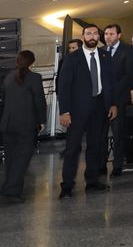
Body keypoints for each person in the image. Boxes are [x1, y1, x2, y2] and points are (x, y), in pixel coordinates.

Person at [57, 24, 118, 197]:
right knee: (72, 148)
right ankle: (67, 186)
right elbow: (64, 86)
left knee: (95, 146)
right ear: (83, 36)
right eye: (88, 33)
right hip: (76, 110)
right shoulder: (72, 58)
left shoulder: (105, 56)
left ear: (98, 37)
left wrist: (113, 104)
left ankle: (92, 181)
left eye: (95, 33)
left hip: (99, 107)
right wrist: (65, 111)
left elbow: (111, 82)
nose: (92, 36)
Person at [1, 50, 46, 202]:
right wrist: (42, 121)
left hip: (7, 124)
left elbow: (4, 101)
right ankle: (12, 193)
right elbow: (39, 101)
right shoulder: (35, 78)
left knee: (11, 159)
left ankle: (7, 188)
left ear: (17, 61)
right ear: (32, 62)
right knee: (21, 159)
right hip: (26, 125)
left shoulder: (8, 77)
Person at [103, 23, 133, 178]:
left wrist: (113, 94)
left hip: (119, 99)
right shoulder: (101, 51)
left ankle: (117, 165)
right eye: (106, 34)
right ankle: (101, 164)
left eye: (111, 34)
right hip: (101, 100)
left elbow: (128, 75)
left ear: (119, 35)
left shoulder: (128, 50)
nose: (108, 36)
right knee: (100, 134)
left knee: (118, 134)